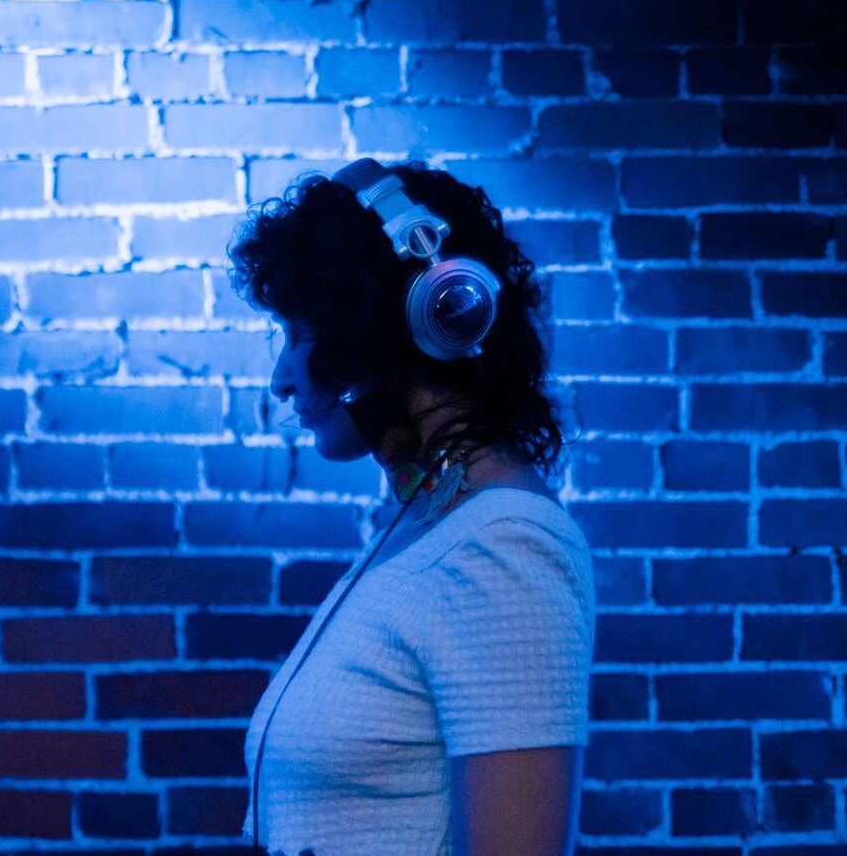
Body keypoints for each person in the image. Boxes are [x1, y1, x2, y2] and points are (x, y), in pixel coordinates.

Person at [224, 160, 595, 856]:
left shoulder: (503, 546)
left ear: (390, 328)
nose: (280, 379)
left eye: (297, 337)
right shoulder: (425, 528)